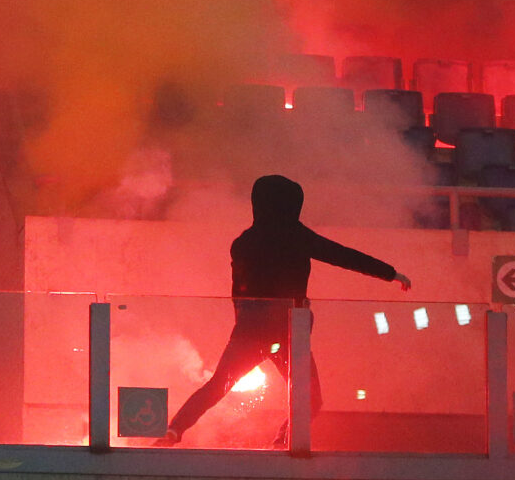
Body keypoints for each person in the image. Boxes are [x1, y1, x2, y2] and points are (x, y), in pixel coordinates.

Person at [158, 175, 411, 447]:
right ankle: (282, 442)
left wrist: (243, 326)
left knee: (218, 386)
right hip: (290, 331)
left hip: (251, 331)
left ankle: (173, 432)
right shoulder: (298, 237)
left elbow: (239, 293)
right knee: (310, 399)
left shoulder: (244, 242)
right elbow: (345, 256)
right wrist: (391, 273)